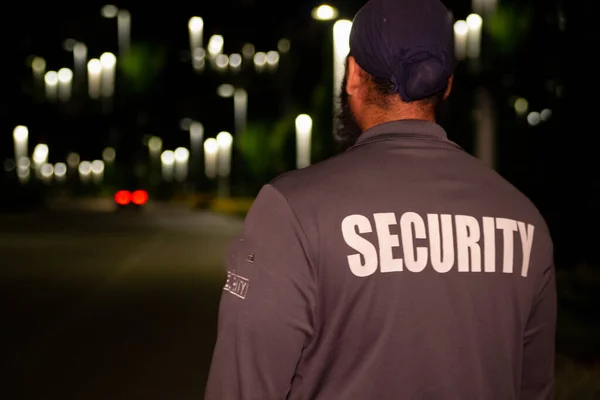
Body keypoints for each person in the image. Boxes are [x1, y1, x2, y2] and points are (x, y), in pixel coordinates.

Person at [204, 0, 557, 398]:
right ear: (447, 85)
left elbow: (241, 388)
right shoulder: (524, 220)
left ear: (353, 74)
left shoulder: (291, 211)